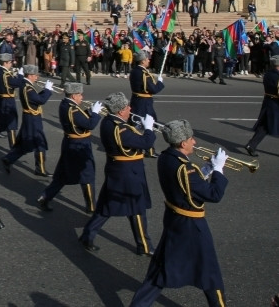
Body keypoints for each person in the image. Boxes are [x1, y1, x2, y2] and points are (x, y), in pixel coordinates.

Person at [129, 120, 228, 307]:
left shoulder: (167, 157)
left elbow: (185, 186)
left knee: (159, 271)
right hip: (192, 226)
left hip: (174, 220)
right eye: (191, 139)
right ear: (183, 143)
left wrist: (204, 171)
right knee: (210, 273)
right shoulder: (186, 168)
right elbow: (214, 195)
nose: (195, 142)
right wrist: (218, 170)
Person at [79, 92, 155, 255]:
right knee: (137, 208)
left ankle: (88, 234)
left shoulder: (109, 121)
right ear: (120, 111)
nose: (130, 109)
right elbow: (146, 143)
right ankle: (144, 246)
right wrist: (148, 129)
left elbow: (131, 138)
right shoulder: (121, 129)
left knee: (106, 207)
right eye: (128, 107)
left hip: (117, 169)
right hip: (128, 173)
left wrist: (138, 129)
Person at [37, 82, 102, 212]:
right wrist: (95, 114)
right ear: (73, 96)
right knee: (87, 175)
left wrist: (88, 111)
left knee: (62, 175)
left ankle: (46, 196)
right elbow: (89, 125)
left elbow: (79, 119)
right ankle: (91, 207)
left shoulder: (65, 104)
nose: (82, 97)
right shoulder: (73, 109)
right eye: (80, 95)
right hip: (79, 145)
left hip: (69, 142)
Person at [1, 65, 53, 176]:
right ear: (29, 75)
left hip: (30, 117)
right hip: (33, 118)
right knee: (40, 142)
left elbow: (35, 99)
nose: (37, 77)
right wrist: (47, 91)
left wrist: (45, 90)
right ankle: (40, 169)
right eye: (35, 75)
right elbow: (40, 100)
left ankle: (9, 159)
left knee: (26, 143)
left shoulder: (26, 85)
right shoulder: (28, 88)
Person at [129, 50, 165, 154]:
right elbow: (153, 89)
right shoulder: (144, 74)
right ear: (143, 61)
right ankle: (148, 149)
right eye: (147, 59)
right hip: (144, 102)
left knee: (135, 123)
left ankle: (137, 147)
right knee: (149, 125)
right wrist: (160, 83)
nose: (149, 60)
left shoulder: (134, 71)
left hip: (135, 99)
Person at [244, 54, 279, 156]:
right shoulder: (277, 76)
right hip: (276, 104)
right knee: (266, 125)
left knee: (264, 126)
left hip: (268, 101)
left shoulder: (268, 74)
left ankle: (251, 145)